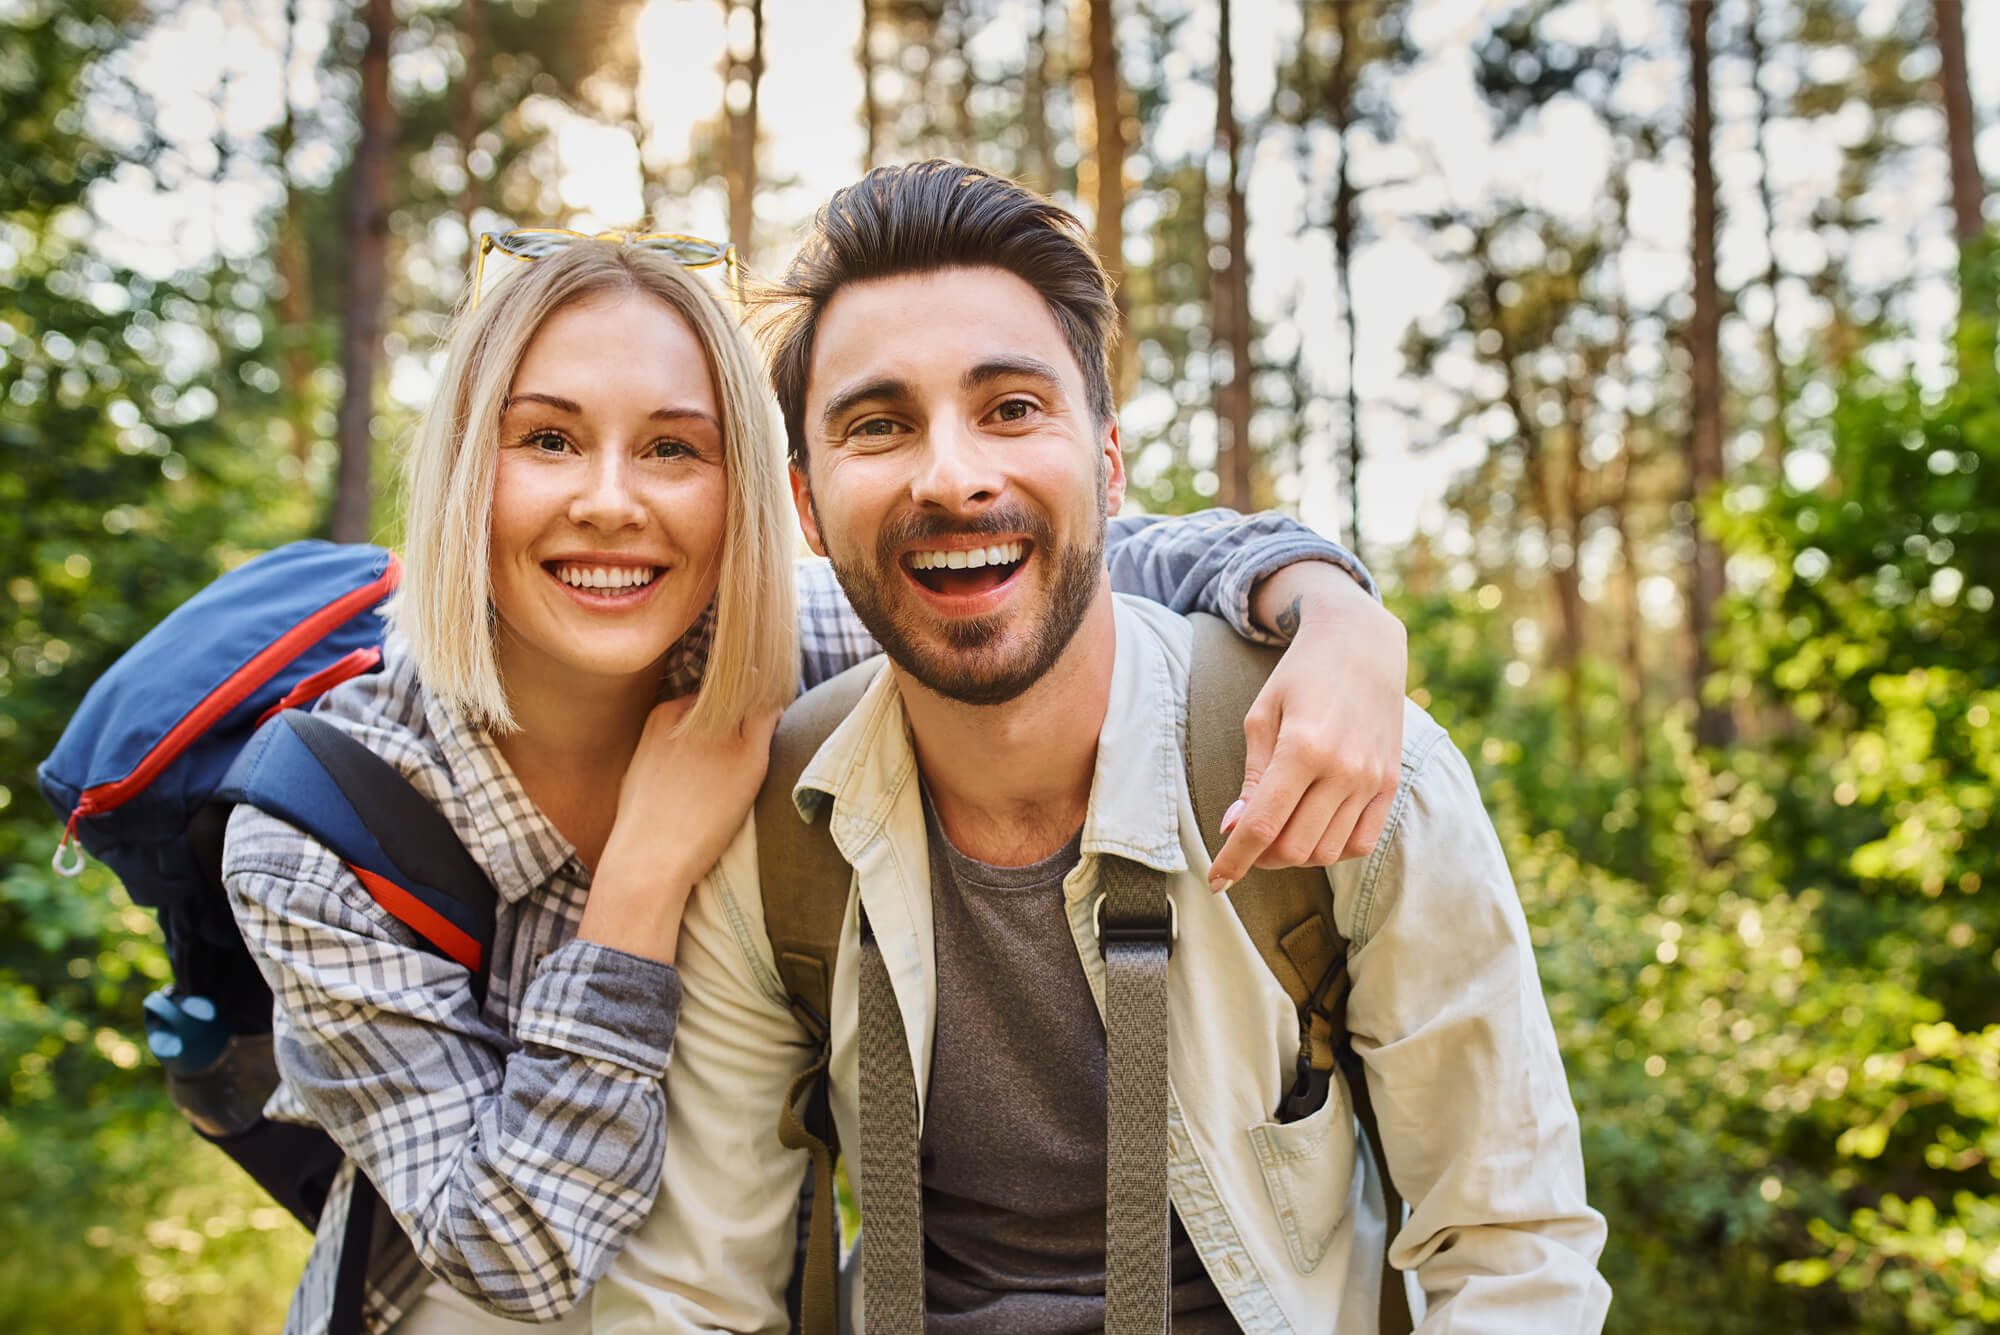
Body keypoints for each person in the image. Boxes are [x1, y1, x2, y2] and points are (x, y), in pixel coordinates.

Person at [223, 230, 1415, 1335]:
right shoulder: (317, 830)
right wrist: (641, 881)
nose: (610, 500)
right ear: (458, 476)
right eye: (546, 439)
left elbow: (1075, 560)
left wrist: (1328, 609)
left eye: (672, 447)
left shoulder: (786, 654)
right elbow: (519, 1254)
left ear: (748, 486)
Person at [594, 163, 1611, 1334]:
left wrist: (1330, 603)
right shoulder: (775, 825)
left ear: (1109, 465)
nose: (952, 474)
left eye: (1011, 409)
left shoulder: (1347, 763)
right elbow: (687, 1298)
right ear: (807, 508)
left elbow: (1506, 1255)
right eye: (878, 425)